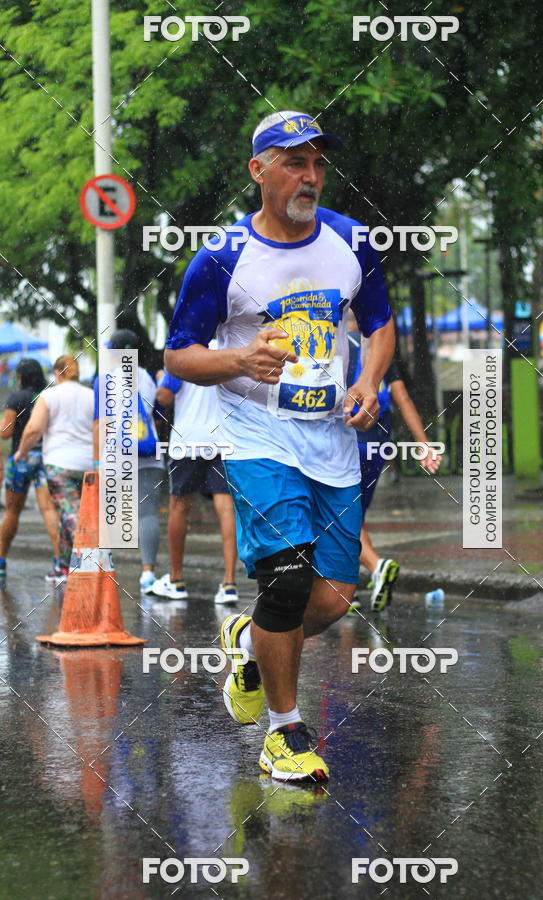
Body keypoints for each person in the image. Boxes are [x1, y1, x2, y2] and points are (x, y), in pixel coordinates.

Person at [164, 110, 395, 783]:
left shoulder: (351, 240)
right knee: (287, 580)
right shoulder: (222, 257)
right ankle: (284, 732)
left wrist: (369, 380)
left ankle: (247, 640)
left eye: (318, 163)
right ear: (258, 170)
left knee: (333, 598)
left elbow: (379, 325)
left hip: (332, 440)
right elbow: (179, 355)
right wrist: (240, 359)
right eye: (295, 162)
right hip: (258, 438)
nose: (310, 176)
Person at [346, 319, 442, 613]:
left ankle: (377, 567)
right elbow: (403, 398)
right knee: (353, 516)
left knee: (335, 514)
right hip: (378, 446)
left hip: (346, 441)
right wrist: (423, 444)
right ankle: (347, 591)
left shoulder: (335, 345)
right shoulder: (381, 350)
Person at [152, 366, 238, 602]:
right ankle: (229, 583)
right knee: (226, 508)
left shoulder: (181, 355)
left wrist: (162, 379)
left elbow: (164, 397)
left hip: (186, 440)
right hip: (221, 439)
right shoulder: (225, 351)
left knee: (179, 506)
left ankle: (176, 580)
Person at [92, 329, 164, 594]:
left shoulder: (104, 380)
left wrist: (96, 462)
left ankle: (104, 569)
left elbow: (100, 423)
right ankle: (148, 574)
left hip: (115, 455)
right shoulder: (148, 378)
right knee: (147, 513)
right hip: (148, 454)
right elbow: (156, 417)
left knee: (107, 512)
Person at [14, 355, 94, 575]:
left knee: (70, 515)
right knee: (74, 513)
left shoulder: (49, 396)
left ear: (57, 372)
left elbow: (34, 429)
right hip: (87, 464)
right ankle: (64, 568)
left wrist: (22, 451)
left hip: (59, 464)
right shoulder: (92, 395)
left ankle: (87, 562)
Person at [0, 358, 61, 583]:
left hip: (21, 458)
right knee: (49, 510)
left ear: (20, 377)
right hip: (45, 458)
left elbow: (6, 432)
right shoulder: (48, 395)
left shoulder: (16, 398)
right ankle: (60, 563)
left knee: (12, 513)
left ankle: (1, 563)